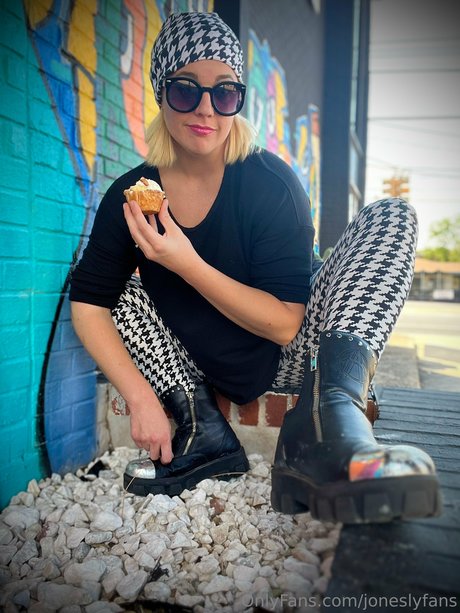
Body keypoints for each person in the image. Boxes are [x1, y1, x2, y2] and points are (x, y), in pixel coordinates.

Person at [69, 11, 441, 524]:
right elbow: (89, 304)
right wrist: (141, 398)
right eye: (186, 90)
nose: (206, 108)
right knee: (118, 292)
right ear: (161, 93)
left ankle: (332, 426)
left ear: (239, 99)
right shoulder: (132, 197)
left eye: (225, 92)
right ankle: (203, 432)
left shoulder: (270, 181)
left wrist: (184, 262)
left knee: (392, 215)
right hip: (195, 364)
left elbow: (287, 324)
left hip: (295, 353)